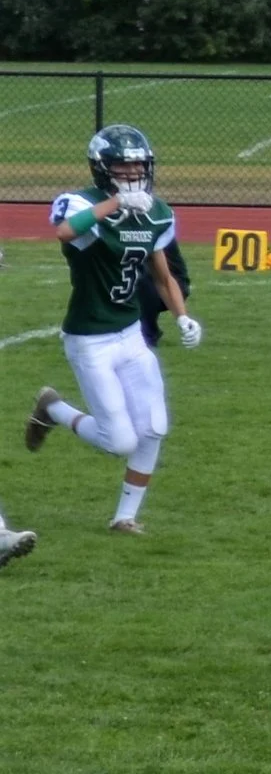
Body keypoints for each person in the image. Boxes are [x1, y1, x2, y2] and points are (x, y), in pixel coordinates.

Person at [26, 124, 202, 534]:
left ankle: (125, 516)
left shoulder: (156, 211)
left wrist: (182, 316)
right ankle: (52, 408)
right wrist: (116, 202)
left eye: (138, 165)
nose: (133, 173)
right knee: (118, 441)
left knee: (153, 428)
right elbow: (65, 230)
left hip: (130, 332)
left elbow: (163, 275)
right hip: (90, 339)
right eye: (123, 166)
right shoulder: (80, 202)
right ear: (102, 168)